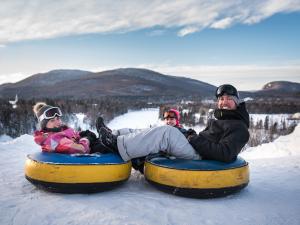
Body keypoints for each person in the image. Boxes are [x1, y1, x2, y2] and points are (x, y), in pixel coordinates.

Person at [97, 84, 249, 164]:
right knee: (154, 130)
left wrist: (194, 139)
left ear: (236, 102)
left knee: (166, 132)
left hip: (201, 157)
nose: (224, 102)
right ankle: (114, 135)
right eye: (221, 99)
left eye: (229, 98)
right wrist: (192, 135)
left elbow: (225, 154)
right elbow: (208, 139)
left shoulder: (239, 127)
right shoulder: (221, 119)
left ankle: (118, 145)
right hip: (197, 149)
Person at [33, 102, 111, 154]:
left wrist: (82, 133)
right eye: (52, 121)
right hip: (85, 152)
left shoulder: (60, 130)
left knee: (104, 140)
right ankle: (110, 139)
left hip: (87, 145)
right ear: (44, 125)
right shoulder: (53, 139)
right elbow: (81, 149)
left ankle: (107, 135)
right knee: (107, 146)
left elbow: (74, 136)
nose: (57, 122)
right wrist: (87, 138)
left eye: (58, 119)